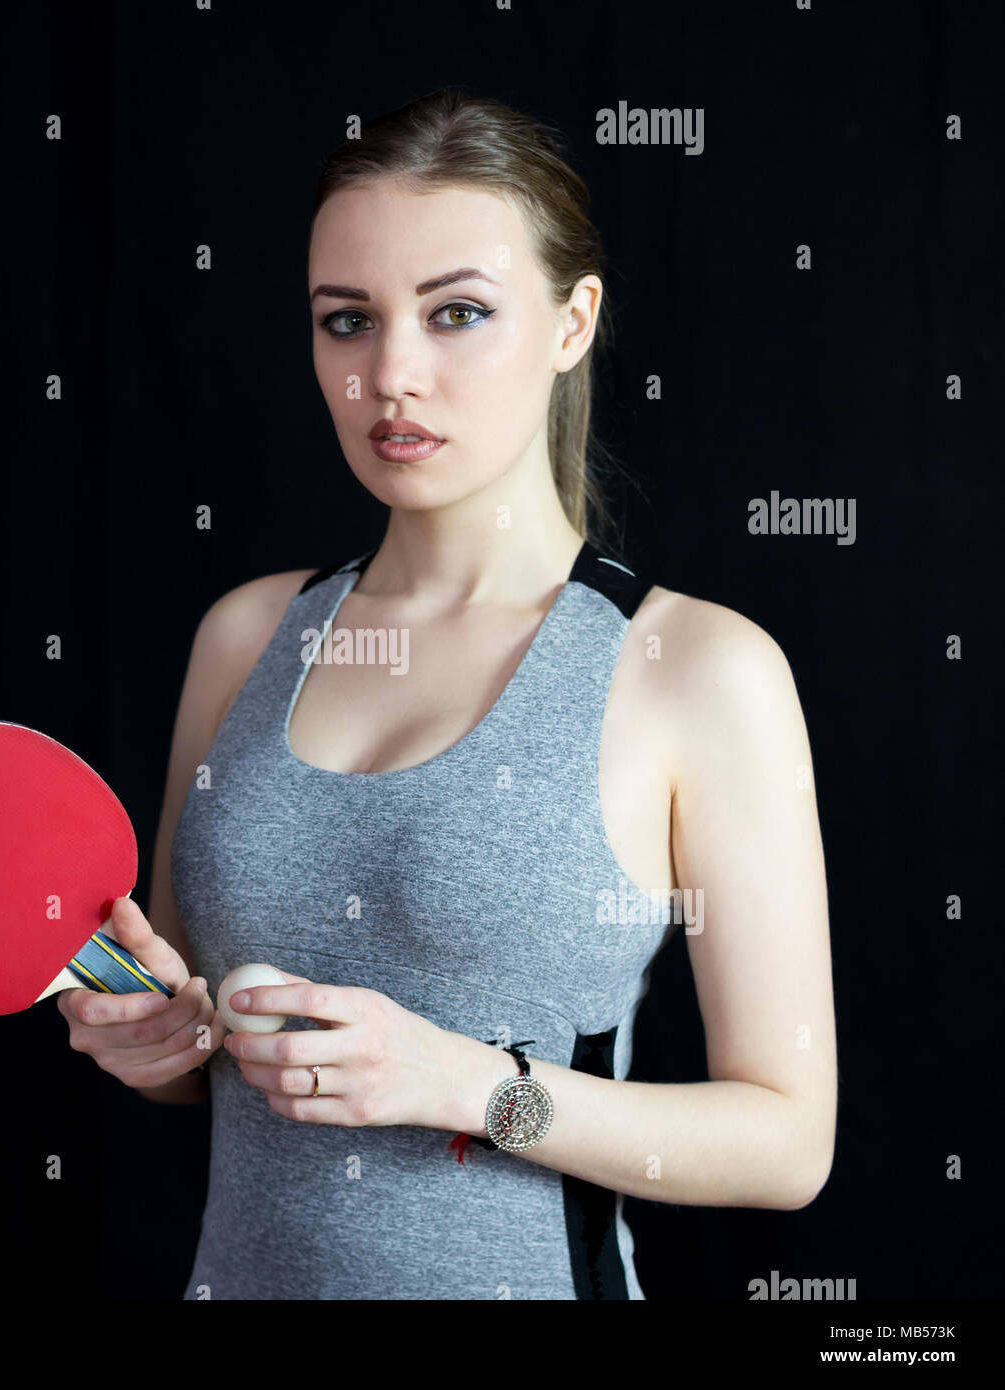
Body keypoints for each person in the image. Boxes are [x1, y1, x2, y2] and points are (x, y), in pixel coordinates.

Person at [57, 87, 836, 1299]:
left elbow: (789, 1142)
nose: (390, 376)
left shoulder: (694, 669)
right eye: (347, 320)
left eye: (457, 313)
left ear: (573, 322)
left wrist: (474, 1085)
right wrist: (148, 1032)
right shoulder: (246, 638)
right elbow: (183, 1041)